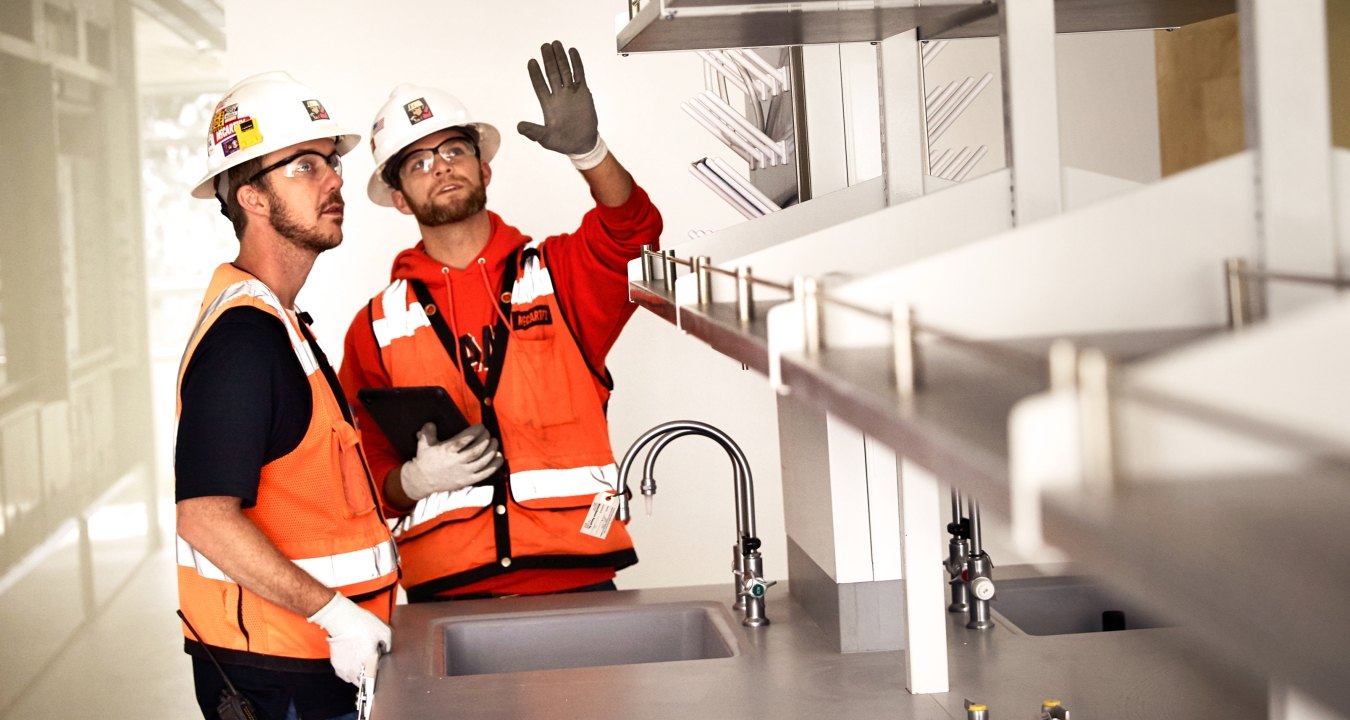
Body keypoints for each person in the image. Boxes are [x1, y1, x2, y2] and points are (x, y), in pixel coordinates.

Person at [339, 41, 663, 602]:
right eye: (418, 163)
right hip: (447, 594)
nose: (440, 167)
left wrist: (590, 153)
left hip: (577, 579)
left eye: (453, 151)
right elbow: (364, 477)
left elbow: (635, 235)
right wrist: (411, 482)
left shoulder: (558, 276)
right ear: (398, 199)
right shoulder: (375, 326)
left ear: (484, 167)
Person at [175, 71, 398, 720]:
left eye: (330, 162)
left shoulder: (280, 324)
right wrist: (337, 617)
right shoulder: (245, 338)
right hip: (278, 677)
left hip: (314, 663)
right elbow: (205, 517)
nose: (334, 180)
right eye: (304, 165)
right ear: (253, 198)